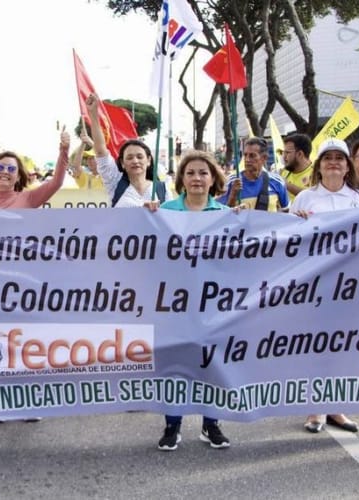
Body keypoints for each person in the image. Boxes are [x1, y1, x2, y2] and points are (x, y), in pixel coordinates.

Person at [144, 150, 233, 451]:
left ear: (213, 179)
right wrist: (147, 215)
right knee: (175, 364)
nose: (197, 178)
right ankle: (173, 424)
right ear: (182, 178)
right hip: (173, 302)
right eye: (191, 173)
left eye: (203, 173)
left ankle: (211, 424)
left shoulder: (225, 214)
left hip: (211, 302)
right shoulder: (165, 210)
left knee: (210, 364)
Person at [289, 138, 359, 434]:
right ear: (319, 166)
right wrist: (295, 222)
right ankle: (314, 406)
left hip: (349, 285)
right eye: (327, 158)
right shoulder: (306, 199)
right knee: (315, 345)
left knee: (341, 346)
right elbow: (288, 240)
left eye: (340, 158)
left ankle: (336, 406)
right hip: (314, 285)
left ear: (348, 166)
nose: (333, 162)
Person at [85, 93, 167, 207]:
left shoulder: (163, 189)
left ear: (148, 160)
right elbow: (100, 152)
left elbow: (171, 220)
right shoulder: (114, 183)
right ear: (122, 163)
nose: (135, 161)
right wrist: (93, 114)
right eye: (129, 157)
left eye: (139, 157)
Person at [0, 130, 69, 209]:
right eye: (0, 167)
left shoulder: (29, 198)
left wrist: (64, 150)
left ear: (18, 176)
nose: (5, 171)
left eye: (11, 169)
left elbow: (56, 183)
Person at [220, 137, 288, 212]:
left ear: (264, 158)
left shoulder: (277, 182)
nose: (247, 159)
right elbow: (221, 216)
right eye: (245, 155)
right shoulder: (231, 181)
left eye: (252, 156)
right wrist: (233, 196)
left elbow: (286, 212)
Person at [280, 133, 314, 204]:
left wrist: (285, 184)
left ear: (300, 154)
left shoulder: (317, 174)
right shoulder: (284, 172)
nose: (284, 157)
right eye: (283, 153)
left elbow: (312, 198)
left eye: (287, 153)